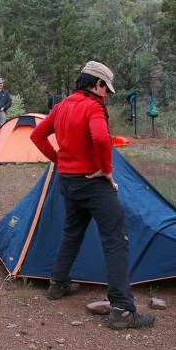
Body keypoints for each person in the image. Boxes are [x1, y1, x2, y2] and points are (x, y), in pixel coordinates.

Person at [30, 61, 155, 330]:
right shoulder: (94, 107)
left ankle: (57, 284)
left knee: (72, 232)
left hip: (68, 182)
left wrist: (59, 161)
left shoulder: (62, 106)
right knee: (115, 239)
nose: (107, 94)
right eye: (106, 88)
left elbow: (37, 135)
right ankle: (122, 309)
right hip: (93, 183)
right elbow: (100, 139)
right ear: (96, 84)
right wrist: (106, 170)